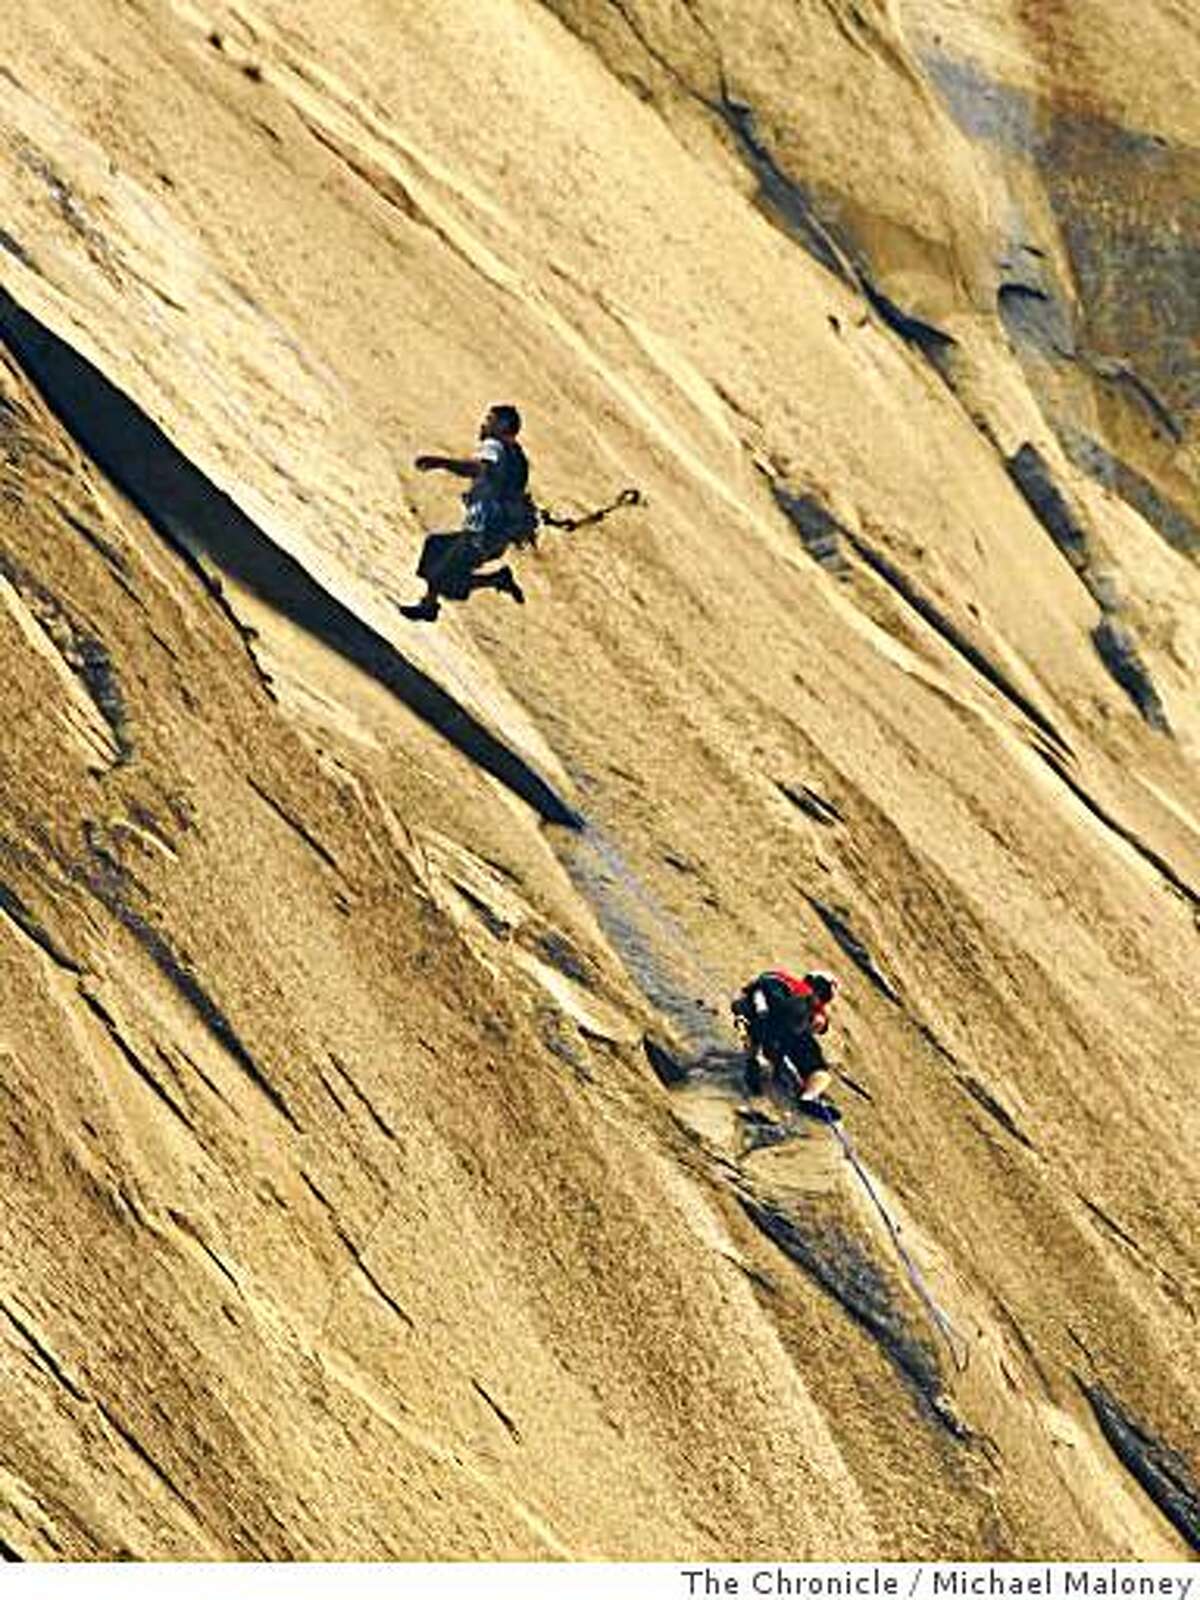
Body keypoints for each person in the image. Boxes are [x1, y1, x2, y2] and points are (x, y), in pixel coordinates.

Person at [398, 404, 535, 621]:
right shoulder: (517, 455)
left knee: (445, 574)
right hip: (500, 531)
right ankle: (432, 602)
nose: (484, 424)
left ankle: (494, 580)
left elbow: (477, 468)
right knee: (436, 548)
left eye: (490, 420)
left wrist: (439, 462)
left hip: (485, 530)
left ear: (503, 424)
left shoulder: (494, 446)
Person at [731, 968, 840, 1106]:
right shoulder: (793, 990)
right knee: (817, 1070)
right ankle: (807, 1094)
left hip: (770, 1028)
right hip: (767, 1025)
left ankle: (807, 1094)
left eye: (824, 996)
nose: (820, 999)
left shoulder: (804, 1002)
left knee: (816, 1069)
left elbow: (820, 1023)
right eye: (822, 994)